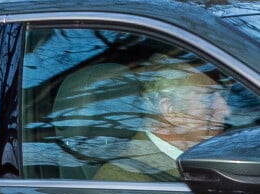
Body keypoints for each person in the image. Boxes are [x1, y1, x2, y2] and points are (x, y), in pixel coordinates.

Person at [94, 54, 230, 181]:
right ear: (171, 111)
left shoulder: (208, 157)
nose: (226, 110)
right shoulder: (123, 180)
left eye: (223, 96)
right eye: (209, 97)